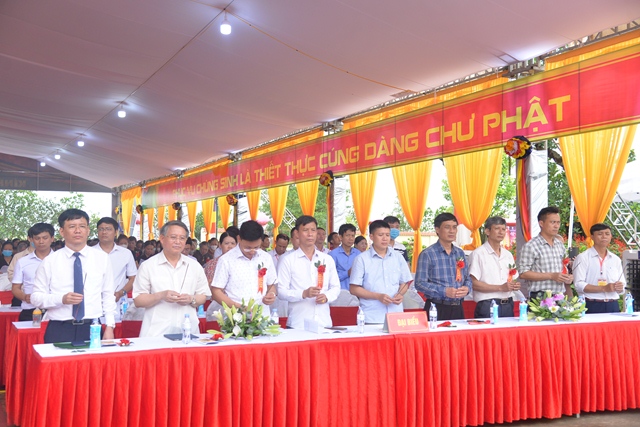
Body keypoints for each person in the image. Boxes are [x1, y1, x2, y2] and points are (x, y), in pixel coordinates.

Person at [31, 209, 117, 343]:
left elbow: (108, 294)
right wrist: (61, 299)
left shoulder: (102, 258)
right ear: (62, 231)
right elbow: (36, 298)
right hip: (60, 327)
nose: (78, 231)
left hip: (92, 327)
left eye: (82, 226)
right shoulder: (50, 261)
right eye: (72, 226)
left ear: (88, 230)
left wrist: (110, 326)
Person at [133, 220, 211, 337]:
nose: (178, 242)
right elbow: (138, 300)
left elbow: (203, 296)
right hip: (156, 333)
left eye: (182, 238)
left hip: (188, 332)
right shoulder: (148, 266)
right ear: (162, 238)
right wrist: (161, 296)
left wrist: (191, 299)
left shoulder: (194, 266)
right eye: (173, 237)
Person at [277, 216, 340, 329]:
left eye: (313, 230)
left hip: (323, 323)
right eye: (305, 230)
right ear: (297, 233)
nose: (310, 234)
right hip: (298, 324)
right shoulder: (288, 260)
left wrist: (326, 297)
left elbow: (335, 287)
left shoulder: (327, 259)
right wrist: (303, 294)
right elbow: (281, 291)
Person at [350, 220, 412, 323]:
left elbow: (405, 282)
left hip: (396, 314)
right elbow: (354, 289)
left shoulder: (398, 257)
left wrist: (400, 294)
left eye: (387, 235)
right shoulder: (361, 259)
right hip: (372, 316)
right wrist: (378, 296)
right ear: (371, 236)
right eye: (380, 235)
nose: (385, 238)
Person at [415, 213, 472, 320]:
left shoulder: (460, 253)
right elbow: (419, 283)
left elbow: (467, 277)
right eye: (447, 227)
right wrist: (444, 291)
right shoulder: (427, 254)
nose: (452, 231)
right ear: (437, 229)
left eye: (454, 227)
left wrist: (467, 288)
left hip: (458, 307)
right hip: (436, 307)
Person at [211, 221, 278, 310]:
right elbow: (216, 291)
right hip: (236, 314)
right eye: (247, 248)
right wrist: (238, 307)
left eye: (256, 247)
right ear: (239, 239)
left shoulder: (266, 258)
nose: (252, 251)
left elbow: (271, 285)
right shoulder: (226, 260)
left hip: (261, 313)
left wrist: (271, 294)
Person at [468, 216, 520, 318]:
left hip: (508, 304)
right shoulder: (478, 254)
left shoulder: (508, 255)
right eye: (497, 228)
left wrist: (514, 285)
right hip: (487, 305)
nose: (501, 232)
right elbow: (473, 283)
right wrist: (500, 288)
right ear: (487, 231)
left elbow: (512, 278)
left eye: (503, 229)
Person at [518, 207, 573, 300]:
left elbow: (564, 267)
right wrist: (551, 276)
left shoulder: (560, 245)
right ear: (541, 223)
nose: (556, 226)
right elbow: (523, 273)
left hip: (560, 295)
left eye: (558, 222)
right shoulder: (531, 246)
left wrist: (568, 276)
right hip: (540, 297)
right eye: (552, 222)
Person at [573, 223, 626, 313]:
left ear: (611, 236)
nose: (604, 237)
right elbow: (578, 284)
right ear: (592, 237)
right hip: (591, 304)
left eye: (607, 234)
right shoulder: (583, 258)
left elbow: (622, 284)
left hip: (613, 304)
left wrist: (620, 287)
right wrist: (604, 288)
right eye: (600, 234)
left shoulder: (615, 259)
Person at [12, 223, 55, 321]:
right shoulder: (22, 262)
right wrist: (24, 297)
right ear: (31, 239)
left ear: (52, 238)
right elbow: (15, 288)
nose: (41, 241)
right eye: (37, 238)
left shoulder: (61, 260)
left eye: (45, 238)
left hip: (56, 310)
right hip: (30, 310)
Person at [94, 217, 137, 303]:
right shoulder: (90, 253)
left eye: (108, 229)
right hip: (95, 300)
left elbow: (133, 278)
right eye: (101, 229)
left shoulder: (126, 253)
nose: (104, 232)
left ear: (116, 232)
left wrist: (121, 293)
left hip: (119, 301)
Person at [329, 223, 361, 290]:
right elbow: (330, 277)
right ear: (340, 237)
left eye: (353, 236)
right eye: (347, 235)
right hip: (339, 291)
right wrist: (347, 273)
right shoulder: (333, 254)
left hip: (356, 291)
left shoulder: (358, 253)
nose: (351, 238)